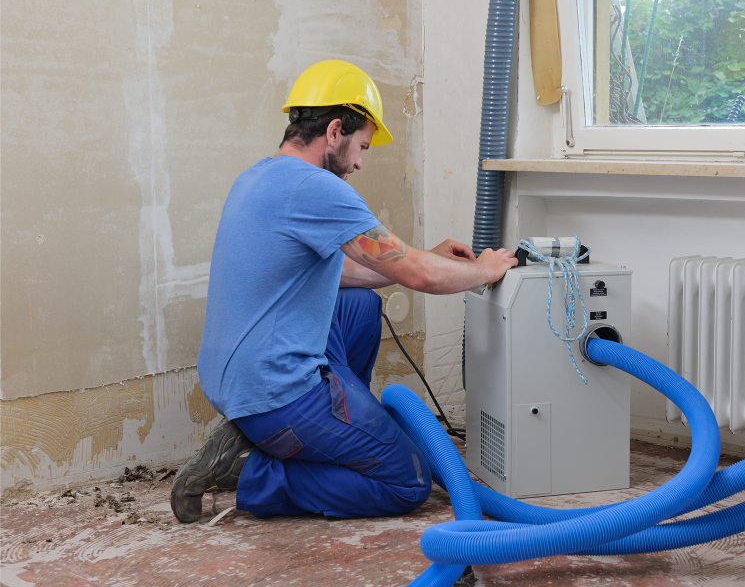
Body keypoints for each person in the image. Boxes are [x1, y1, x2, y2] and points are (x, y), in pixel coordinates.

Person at [170, 60, 516, 523]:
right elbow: (423, 277)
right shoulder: (317, 188)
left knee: (358, 307)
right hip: (274, 394)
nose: (358, 162)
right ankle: (253, 473)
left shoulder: (259, 175)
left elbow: (345, 271)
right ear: (335, 130)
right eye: (361, 148)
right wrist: (486, 269)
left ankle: (335, 434)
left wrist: (424, 255)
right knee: (407, 480)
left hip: (233, 378)